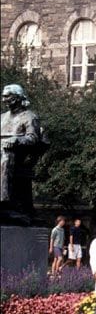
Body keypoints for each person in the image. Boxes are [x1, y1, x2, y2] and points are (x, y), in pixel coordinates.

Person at [0, 83, 46, 223]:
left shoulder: (29, 116)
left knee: (6, 157)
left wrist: (16, 140)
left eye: (7, 96)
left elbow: (33, 138)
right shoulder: (2, 117)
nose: (4, 100)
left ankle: (4, 203)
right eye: (3, 96)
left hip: (18, 155)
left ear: (17, 97)